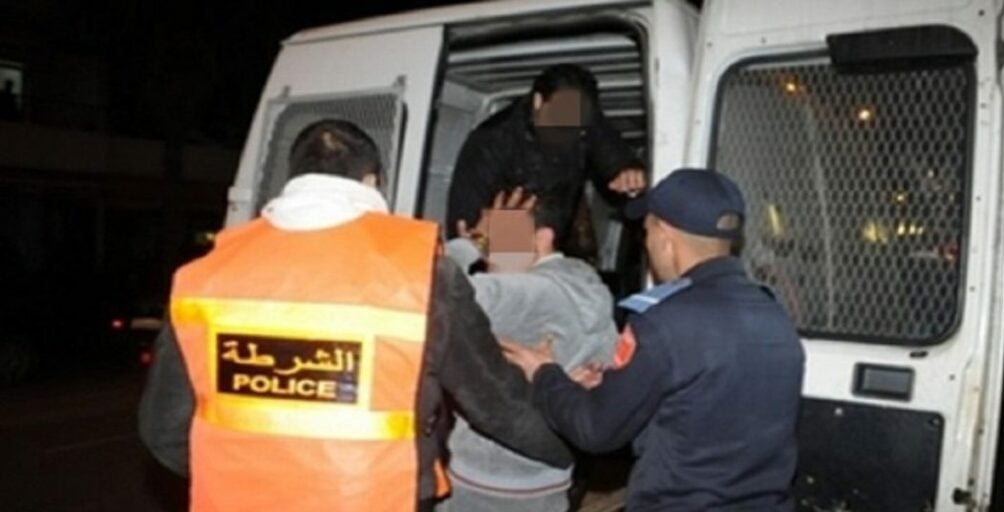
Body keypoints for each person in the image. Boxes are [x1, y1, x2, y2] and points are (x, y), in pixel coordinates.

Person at [138, 119, 572, 512]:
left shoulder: (205, 275)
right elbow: (497, 404)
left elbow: (164, 430)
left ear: (295, 179)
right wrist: (572, 447)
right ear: (372, 181)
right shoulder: (422, 274)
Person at [501, 168, 806, 511]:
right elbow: (709, 410)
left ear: (664, 236)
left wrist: (545, 374)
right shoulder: (775, 315)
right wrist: (620, 386)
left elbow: (596, 430)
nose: (646, 244)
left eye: (647, 231)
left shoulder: (663, 323)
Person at [440, 188, 618, 512]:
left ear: (543, 238)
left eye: (500, 235)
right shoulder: (586, 285)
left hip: (489, 486)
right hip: (549, 479)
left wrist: (471, 243)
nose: (491, 248)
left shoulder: (533, 294)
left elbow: (432, 285)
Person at [444, 64, 646, 259]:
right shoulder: (492, 140)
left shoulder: (586, 119)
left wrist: (628, 171)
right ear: (538, 101)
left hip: (554, 238)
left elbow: (614, 156)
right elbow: (465, 227)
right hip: (507, 235)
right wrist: (484, 246)